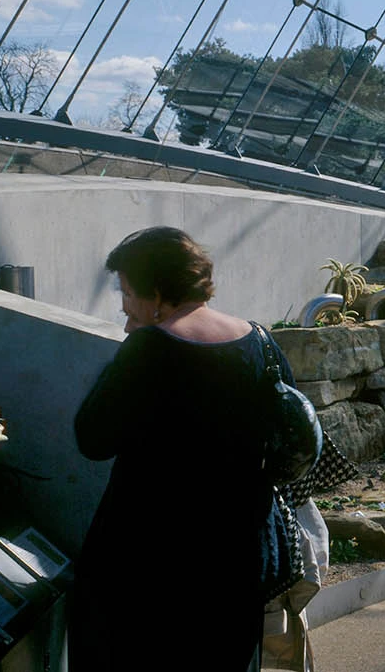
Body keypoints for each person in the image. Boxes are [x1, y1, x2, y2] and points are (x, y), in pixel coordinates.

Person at [72, 227, 291, 671]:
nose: (122, 305)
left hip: (147, 563)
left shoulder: (150, 348)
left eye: (127, 291)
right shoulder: (259, 341)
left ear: (156, 291)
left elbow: (93, 438)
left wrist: (127, 353)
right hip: (237, 557)